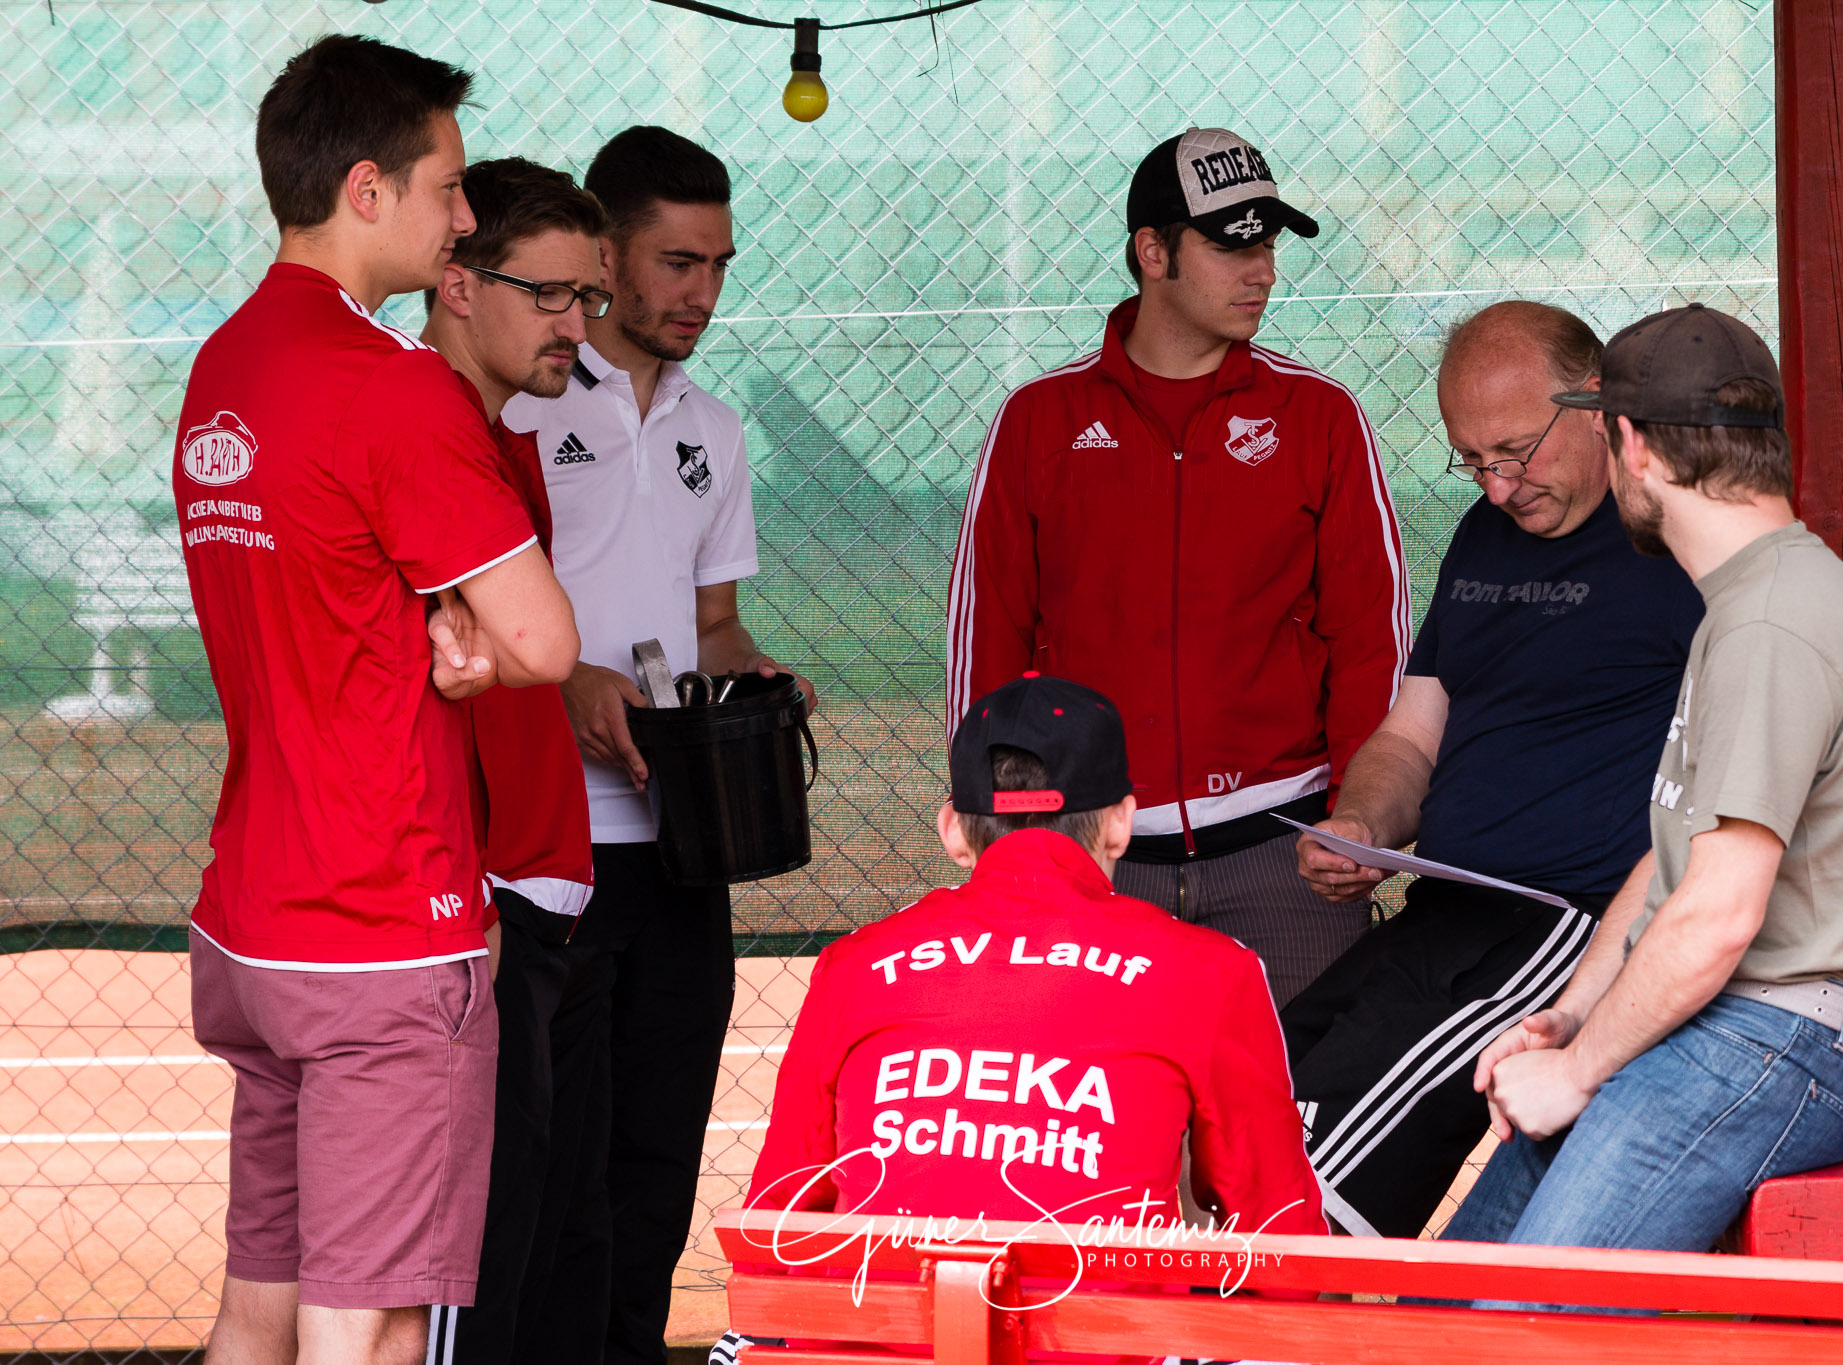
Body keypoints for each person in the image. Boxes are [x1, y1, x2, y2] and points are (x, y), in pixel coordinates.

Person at [1285, 302, 1843, 1242]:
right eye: (1474, 459)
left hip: (1771, 1030)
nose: (1497, 486)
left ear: (1624, 438)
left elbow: (1719, 908)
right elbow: (1674, 856)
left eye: (1518, 449)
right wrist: (1577, 1018)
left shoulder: (1766, 619)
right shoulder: (1746, 605)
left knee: (1520, 1320)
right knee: (1461, 1298)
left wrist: (1575, 1064)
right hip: (1718, 1013)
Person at [174, 35, 579, 1365]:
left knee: (263, 1308)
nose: (463, 216)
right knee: (377, 1326)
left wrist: (445, 633)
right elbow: (541, 636)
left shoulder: (223, 364)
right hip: (380, 931)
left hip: (255, 916)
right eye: (448, 187)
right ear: (366, 190)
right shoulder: (391, 385)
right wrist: (473, 642)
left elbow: (333, 600)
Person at [946, 127, 1408, 1007]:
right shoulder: (1039, 421)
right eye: (1234, 244)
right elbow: (989, 638)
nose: (1262, 269)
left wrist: (1360, 819)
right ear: (1151, 252)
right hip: (1088, 859)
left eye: (1268, 242)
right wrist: (998, 824)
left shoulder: (1320, 416)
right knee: (1099, 1133)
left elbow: (1370, 637)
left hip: (1291, 857)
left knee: (1303, 1130)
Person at [502, 125, 807, 1365]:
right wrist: (561, 679)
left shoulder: (713, 428)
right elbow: (454, 617)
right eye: (675, 261)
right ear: (605, 256)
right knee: (549, 1178)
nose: (699, 291)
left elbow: (712, 625)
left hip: (679, 853)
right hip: (544, 851)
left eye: (719, 264)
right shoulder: (516, 405)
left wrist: (755, 677)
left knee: (652, 1168)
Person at [745, 671, 1323, 1246]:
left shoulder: (852, 966)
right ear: (1122, 822)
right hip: (1110, 1335)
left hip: (879, 1326)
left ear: (952, 831)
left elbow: (779, 1215)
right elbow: (1281, 1229)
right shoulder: (1211, 970)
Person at [413, 156, 610, 1364]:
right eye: (547, 296)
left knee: (530, 1252)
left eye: (585, 297)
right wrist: (467, 884)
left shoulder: (499, 440)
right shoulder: (425, 437)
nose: (577, 327)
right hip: (473, 914)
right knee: (462, 1289)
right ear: (455, 284)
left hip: (530, 900)